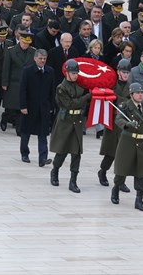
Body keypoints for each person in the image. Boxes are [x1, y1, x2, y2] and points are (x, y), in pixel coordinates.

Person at [111, 82, 143, 212]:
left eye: (141, 93)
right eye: (137, 93)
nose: (140, 95)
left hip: (142, 144)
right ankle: (116, 188)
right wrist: (127, 124)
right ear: (131, 94)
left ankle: (139, 199)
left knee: (141, 173)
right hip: (128, 143)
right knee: (122, 170)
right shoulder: (125, 106)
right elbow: (118, 120)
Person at [49, 59, 91, 192]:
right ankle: (55, 170)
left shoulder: (79, 86)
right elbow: (70, 104)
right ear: (67, 73)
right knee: (62, 151)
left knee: (76, 152)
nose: (75, 75)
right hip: (65, 121)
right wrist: (87, 97)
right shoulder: (61, 88)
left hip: (77, 121)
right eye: (73, 73)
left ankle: (73, 181)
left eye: (76, 73)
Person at [98, 59, 132, 191]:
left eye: (127, 72)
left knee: (123, 154)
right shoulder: (111, 84)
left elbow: (129, 103)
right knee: (110, 152)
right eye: (123, 72)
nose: (125, 75)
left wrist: (117, 98)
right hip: (112, 121)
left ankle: (120, 180)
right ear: (118, 71)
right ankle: (103, 171)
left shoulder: (131, 86)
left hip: (123, 123)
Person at [19, 49, 55, 166]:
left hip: (43, 107)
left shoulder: (50, 71)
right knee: (26, 131)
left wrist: (51, 105)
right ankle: (24, 153)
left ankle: (43, 158)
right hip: (30, 106)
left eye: (44, 58)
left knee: (43, 133)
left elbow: (52, 90)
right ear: (35, 58)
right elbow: (22, 90)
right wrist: (23, 106)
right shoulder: (27, 71)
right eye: (40, 58)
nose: (42, 61)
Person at [2, 31, 36, 136]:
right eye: (23, 42)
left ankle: (19, 129)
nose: (25, 45)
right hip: (14, 82)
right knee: (12, 107)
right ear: (20, 40)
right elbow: (6, 67)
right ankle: (5, 117)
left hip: (27, 84)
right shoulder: (11, 51)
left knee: (21, 107)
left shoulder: (33, 51)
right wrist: (4, 82)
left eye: (27, 43)